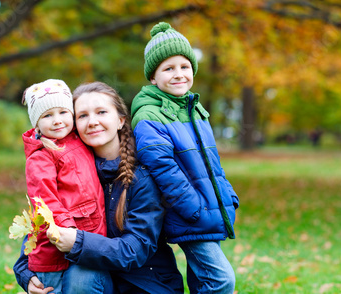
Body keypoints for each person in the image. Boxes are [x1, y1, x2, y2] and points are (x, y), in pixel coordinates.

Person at [14, 82, 184, 294]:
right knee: (82, 274)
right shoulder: (70, 169)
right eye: (82, 115)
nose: (92, 121)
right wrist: (25, 273)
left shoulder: (142, 176)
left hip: (144, 285)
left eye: (101, 112)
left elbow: (135, 250)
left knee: (83, 276)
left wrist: (78, 241)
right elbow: (45, 217)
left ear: (121, 120)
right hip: (100, 281)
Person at [131, 22, 239, 293]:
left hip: (204, 209)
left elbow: (211, 163)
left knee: (202, 280)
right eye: (168, 68)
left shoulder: (194, 110)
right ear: (153, 78)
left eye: (184, 67)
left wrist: (229, 194)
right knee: (221, 280)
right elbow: (163, 169)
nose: (178, 74)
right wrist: (194, 208)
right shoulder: (149, 115)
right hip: (188, 213)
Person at [19, 79, 109, 293]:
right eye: (47, 116)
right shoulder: (41, 157)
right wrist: (66, 229)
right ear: (37, 124)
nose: (57, 120)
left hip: (84, 235)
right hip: (56, 245)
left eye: (63, 112)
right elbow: (44, 199)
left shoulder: (78, 140)